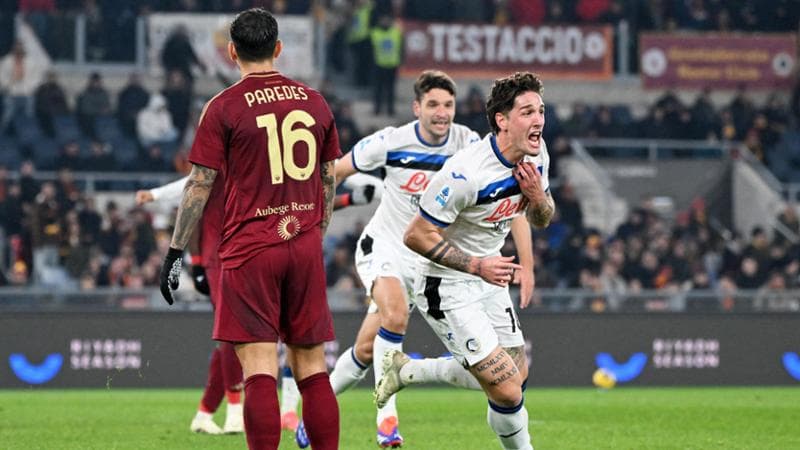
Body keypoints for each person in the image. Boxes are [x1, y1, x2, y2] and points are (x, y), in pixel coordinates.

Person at [302, 70, 534, 449]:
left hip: (430, 257)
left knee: (364, 350)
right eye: (433, 105)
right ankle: (387, 423)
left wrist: (528, 264)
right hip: (388, 248)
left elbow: (513, 205)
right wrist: (315, 225)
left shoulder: (468, 144)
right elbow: (333, 172)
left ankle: (314, 416)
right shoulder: (392, 141)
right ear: (417, 108)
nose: (441, 113)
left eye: (448, 105)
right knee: (394, 316)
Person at [158, 8, 340, 450]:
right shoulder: (314, 101)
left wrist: (177, 251)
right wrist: (314, 232)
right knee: (312, 367)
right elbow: (328, 178)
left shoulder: (222, 107)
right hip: (303, 240)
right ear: (278, 49)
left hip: (249, 248)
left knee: (259, 365)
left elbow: (200, 184)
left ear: (232, 52)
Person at [376, 72, 555, 450]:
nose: (538, 120)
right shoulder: (465, 173)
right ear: (502, 120)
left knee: (516, 376)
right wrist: (476, 265)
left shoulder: (538, 157)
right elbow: (416, 235)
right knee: (506, 389)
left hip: (488, 277)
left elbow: (541, 218)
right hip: (447, 283)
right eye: (527, 112)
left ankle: (406, 370)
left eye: (540, 110)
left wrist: (537, 197)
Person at [137, 170, 378, 435]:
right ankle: (234, 411)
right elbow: (194, 185)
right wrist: (194, 260)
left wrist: (348, 200)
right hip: (224, 259)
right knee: (237, 339)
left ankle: (205, 412)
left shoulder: (255, 161)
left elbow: (303, 202)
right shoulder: (231, 156)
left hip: (253, 256)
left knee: (238, 342)